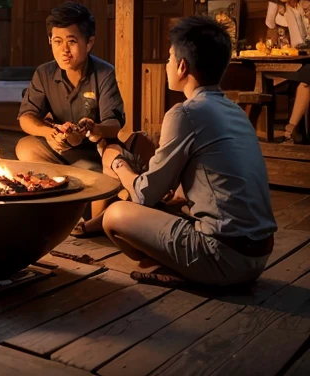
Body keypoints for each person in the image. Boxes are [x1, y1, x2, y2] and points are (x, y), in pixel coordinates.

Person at [100, 15, 277, 288]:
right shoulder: (234, 111)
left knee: (115, 215)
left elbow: (143, 195)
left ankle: (186, 270)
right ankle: (182, 265)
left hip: (225, 257)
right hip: (259, 254)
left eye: (170, 58)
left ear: (182, 66)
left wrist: (117, 163)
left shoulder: (186, 113)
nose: (167, 65)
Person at [15, 1, 125, 175]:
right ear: (50, 40)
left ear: (89, 43)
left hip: (94, 154)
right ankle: (60, 184)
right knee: (25, 147)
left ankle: (78, 184)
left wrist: (93, 128)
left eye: (71, 42)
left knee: (111, 160)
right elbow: (26, 116)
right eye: (57, 41)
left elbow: (114, 124)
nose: (64, 50)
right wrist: (50, 132)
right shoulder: (44, 73)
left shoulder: (105, 74)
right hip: (59, 150)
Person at [266, 0, 310, 143]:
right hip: (282, 64)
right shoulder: (275, 9)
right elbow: (269, 42)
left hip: (304, 62)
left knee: (308, 74)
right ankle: (289, 132)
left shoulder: (307, 6)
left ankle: (290, 131)